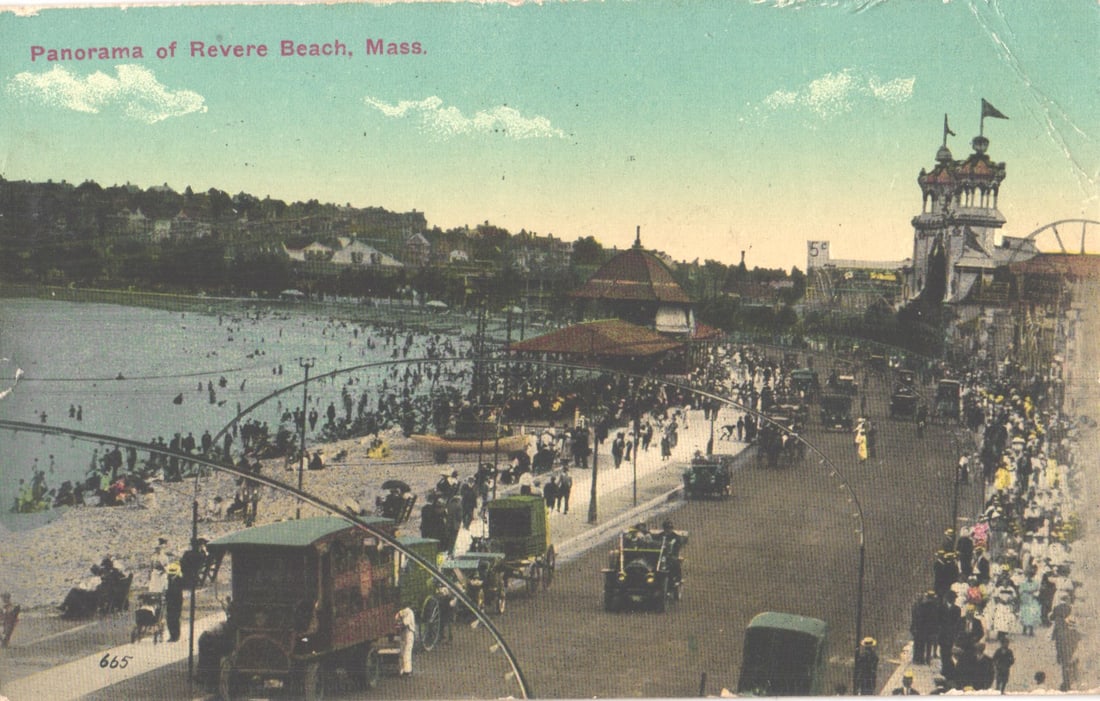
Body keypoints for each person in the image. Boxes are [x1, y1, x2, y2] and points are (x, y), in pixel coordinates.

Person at [165, 561, 184, 642]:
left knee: (175, 619)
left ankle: (176, 636)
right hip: (170, 602)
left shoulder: (179, 580)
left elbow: (178, 594)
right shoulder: (169, 579)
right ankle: (172, 635)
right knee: (169, 619)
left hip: (176, 602)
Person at [395, 606, 416, 678]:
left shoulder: (408, 612)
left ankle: (406, 670)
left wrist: (397, 626)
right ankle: (405, 670)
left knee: (406, 651)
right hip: (405, 633)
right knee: (404, 651)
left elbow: (404, 623)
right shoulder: (406, 612)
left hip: (408, 633)